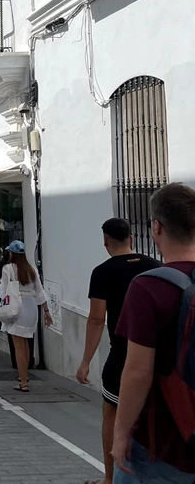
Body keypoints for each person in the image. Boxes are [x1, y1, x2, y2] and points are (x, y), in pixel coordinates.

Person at [112, 183, 195, 481]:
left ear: (156, 228)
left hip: (160, 446)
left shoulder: (148, 286)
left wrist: (120, 434)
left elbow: (138, 371)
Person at [76, 218, 161, 484]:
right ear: (132, 239)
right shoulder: (156, 266)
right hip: (156, 355)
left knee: (111, 414)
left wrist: (85, 362)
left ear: (105, 241)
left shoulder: (102, 272)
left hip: (122, 356)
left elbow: (97, 319)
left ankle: (110, 479)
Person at [0, 241, 52, 392]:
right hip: (32, 308)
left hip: (17, 309)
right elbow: (40, 292)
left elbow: (2, 291)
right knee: (27, 344)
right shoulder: (31, 269)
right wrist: (46, 312)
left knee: (18, 347)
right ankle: (24, 376)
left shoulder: (8, 269)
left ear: (11, 253)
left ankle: (23, 382)